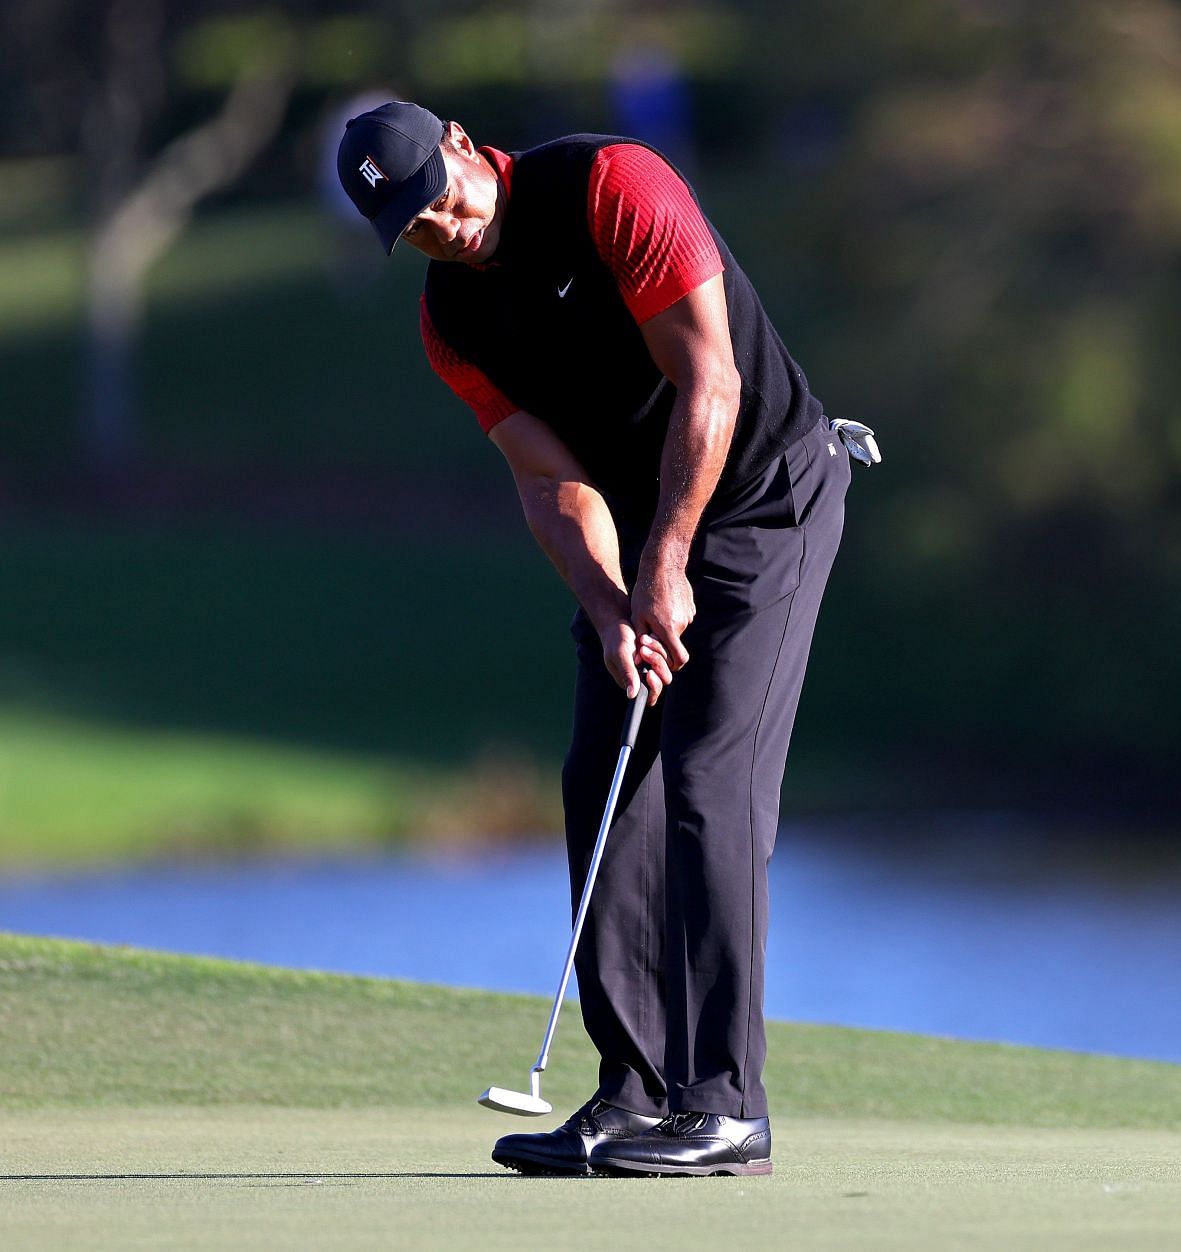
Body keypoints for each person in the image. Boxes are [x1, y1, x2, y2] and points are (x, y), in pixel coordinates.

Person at [335, 100, 861, 1178]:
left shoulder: (613, 188)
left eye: (442, 195)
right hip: (643, 521)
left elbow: (712, 381)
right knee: (603, 784)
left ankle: (727, 1107)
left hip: (769, 500)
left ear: (462, 141)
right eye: (415, 227)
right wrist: (613, 599)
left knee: (710, 782)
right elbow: (549, 480)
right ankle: (634, 1091)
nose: (442, 225)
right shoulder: (454, 323)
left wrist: (668, 563)